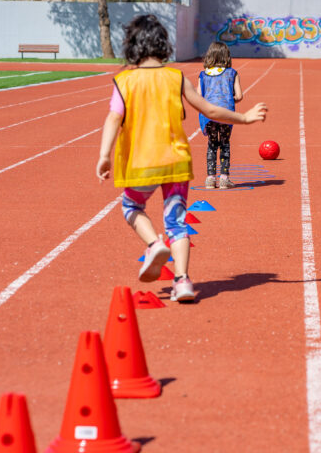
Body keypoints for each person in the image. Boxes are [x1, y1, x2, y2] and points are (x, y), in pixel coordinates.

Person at [96, 15, 267, 301]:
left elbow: (114, 119)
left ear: (132, 47)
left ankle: (153, 244)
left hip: (140, 163)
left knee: (131, 206)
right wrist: (244, 118)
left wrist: (104, 155)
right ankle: (183, 280)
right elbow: (209, 110)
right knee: (176, 223)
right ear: (163, 46)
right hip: (175, 161)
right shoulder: (176, 78)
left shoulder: (123, 82)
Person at [198, 42, 243, 190]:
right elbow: (239, 96)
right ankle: (224, 178)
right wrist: (228, 98)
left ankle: (210, 178)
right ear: (227, 57)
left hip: (209, 114)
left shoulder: (203, 75)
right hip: (226, 113)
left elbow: (198, 96)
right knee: (224, 143)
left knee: (212, 144)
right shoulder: (232, 73)